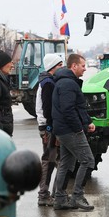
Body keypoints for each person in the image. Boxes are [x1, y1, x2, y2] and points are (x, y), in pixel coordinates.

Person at [51, 53, 96, 211]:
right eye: (83, 66)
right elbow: (68, 110)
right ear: (74, 66)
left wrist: (87, 121)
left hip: (63, 129)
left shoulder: (66, 82)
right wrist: (79, 128)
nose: (85, 69)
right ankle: (77, 196)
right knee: (88, 161)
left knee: (66, 163)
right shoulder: (68, 84)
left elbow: (78, 107)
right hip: (69, 130)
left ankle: (60, 199)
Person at [36, 53, 64, 207]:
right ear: (52, 67)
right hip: (48, 127)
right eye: (59, 65)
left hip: (48, 125)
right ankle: (44, 195)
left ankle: (54, 193)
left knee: (54, 159)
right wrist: (51, 127)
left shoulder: (48, 80)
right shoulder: (48, 83)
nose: (62, 67)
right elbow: (48, 110)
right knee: (49, 159)